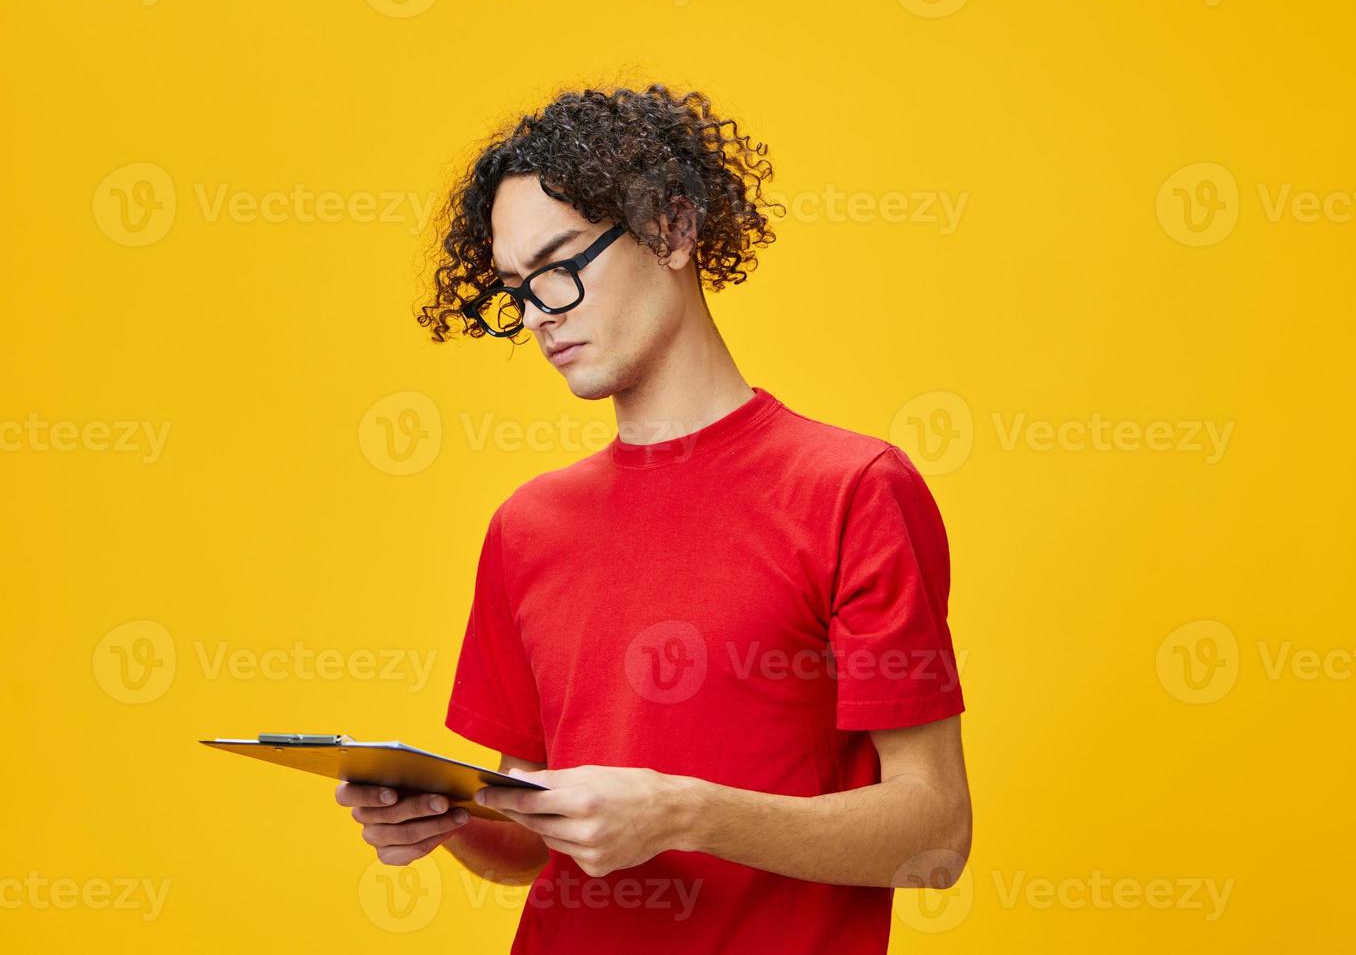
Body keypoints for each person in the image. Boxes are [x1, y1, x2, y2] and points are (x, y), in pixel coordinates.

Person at [336, 83, 970, 953]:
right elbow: (531, 841)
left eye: (560, 266)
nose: (540, 316)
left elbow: (934, 835)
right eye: (517, 289)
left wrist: (683, 812)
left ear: (672, 229)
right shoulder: (527, 526)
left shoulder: (854, 488)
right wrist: (451, 820)